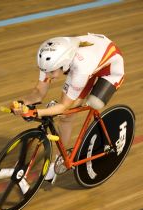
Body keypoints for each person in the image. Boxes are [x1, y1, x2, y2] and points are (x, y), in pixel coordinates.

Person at [12, 33, 124, 182]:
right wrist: (21, 103)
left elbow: (63, 106)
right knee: (65, 116)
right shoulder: (49, 61)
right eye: (44, 71)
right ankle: (62, 158)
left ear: (64, 64)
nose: (47, 75)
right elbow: (39, 93)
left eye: (51, 72)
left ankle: (58, 159)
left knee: (82, 108)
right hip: (91, 60)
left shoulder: (80, 69)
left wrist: (38, 112)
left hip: (110, 69)